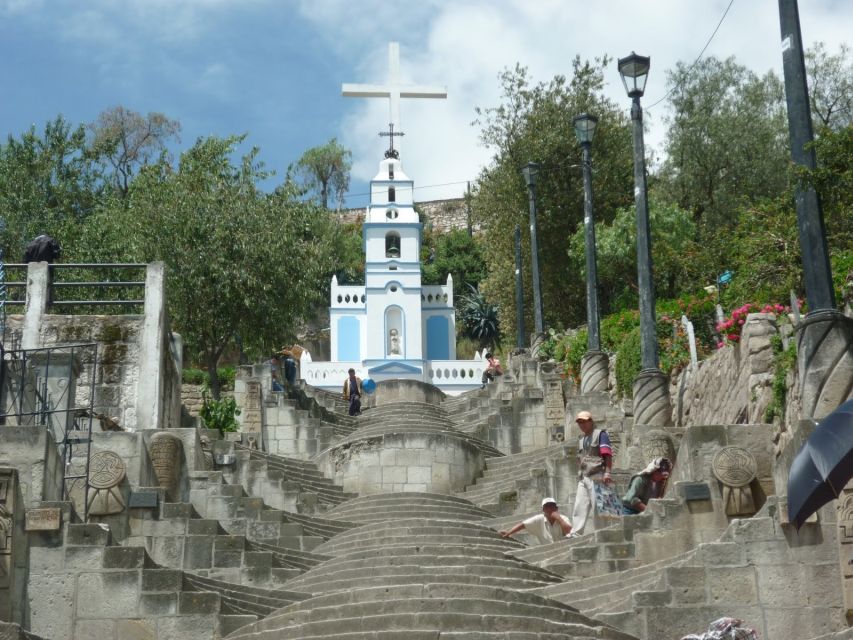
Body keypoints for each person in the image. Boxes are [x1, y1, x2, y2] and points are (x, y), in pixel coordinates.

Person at [570, 410, 613, 536]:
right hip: (584, 476)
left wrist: (607, 473)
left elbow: (608, 455)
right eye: (579, 422)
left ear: (591, 421)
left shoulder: (600, 434)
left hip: (597, 475)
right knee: (579, 506)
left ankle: (601, 533)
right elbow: (580, 458)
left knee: (597, 507)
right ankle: (576, 533)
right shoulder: (581, 440)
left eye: (584, 421)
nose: (581, 424)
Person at [499, 497, 572, 545]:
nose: (549, 509)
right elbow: (523, 525)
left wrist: (558, 518)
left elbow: (569, 531)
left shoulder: (563, 518)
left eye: (552, 506)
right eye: (547, 506)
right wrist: (509, 532)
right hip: (548, 552)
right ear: (543, 510)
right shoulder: (539, 519)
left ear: (556, 508)